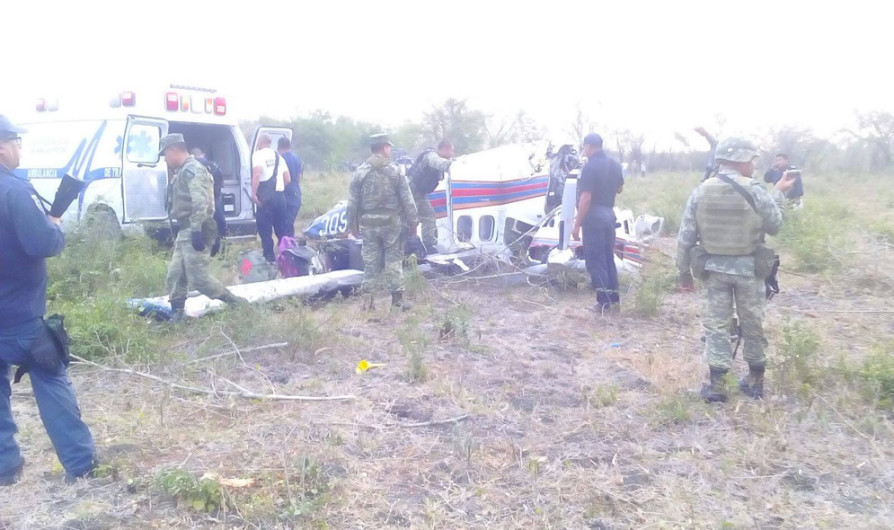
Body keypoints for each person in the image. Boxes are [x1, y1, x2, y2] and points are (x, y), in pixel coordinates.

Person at [0, 115, 97, 485]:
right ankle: (81, 465)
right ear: (2, 147)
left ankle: (5, 467)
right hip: (20, 316)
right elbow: (42, 243)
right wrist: (54, 225)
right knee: (51, 380)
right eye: (17, 142)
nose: (20, 148)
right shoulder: (13, 191)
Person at [676, 137, 798, 403]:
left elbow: (685, 237)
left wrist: (683, 274)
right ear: (741, 160)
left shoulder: (701, 191)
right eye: (751, 160)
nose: (753, 165)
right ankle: (755, 382)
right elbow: (775, 225)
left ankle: (717, 387)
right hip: (748, 270)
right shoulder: (755, 190)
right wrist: (778, 193)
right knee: (752, 325)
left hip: (713, 271)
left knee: (717, 327)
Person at [161, 134, 246, 322]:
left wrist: (196, 230)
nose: (165, 159)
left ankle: (237, 304)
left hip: (196, 226)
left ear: (173, 150)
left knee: (198, 279)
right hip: (186, 228)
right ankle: (177, 315)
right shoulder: (183, 171)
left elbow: (201, 201)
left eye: (165, 154)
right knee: (175, 274)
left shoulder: (193, 170)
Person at [347, 133, 417, 310]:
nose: (390, 150)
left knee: (370, 263)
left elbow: (352, 202)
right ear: (385, 147)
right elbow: (408, 200)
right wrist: (413, 223)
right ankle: (397, 303)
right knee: (393, 262)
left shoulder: (360, 171)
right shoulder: (395, 171)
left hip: (369, 225)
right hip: (392, 224)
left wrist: (352, 226)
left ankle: (368, 303)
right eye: (389, 147)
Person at [571, 133, 625, 314]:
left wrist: (577, 224)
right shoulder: (615, 164)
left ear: (588, 146)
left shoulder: (590, 167)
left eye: (584, 147)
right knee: (608, 258)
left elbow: (586, 198)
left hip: (594, 217)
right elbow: (620, 188)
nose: (584, 150)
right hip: (609, 215)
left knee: (596, 261)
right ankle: (614, 300)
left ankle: (603, 303)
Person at [406, 139, 454, 253]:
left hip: (419, 194)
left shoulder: (437, 158)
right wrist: (454, 165)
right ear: (444, 149)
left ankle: (428, 245)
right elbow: (439, 163)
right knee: (409, 221)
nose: (452, 153)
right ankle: (406, 248)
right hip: (409, 193)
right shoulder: (430, 156)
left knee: (429, 216)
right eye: (451, 150)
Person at [252, 135, 291, 262]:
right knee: (282, 229)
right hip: (280, 197)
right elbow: (288, 179)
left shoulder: (258, 155)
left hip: (266, 199)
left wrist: (253, 193)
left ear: (261, 142)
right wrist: (278, 189)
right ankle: (286, 258)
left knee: (265, 230)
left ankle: (269, 260)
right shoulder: (278, 156)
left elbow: (257, 175)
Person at [190, 147, 226, 252]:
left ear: (192, 155)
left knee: (201, 226)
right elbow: (222, 183)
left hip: (198, 200)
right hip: (214, 199)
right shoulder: (213, 165)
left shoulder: (191, 167)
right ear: (203, 154)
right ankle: (221, 248)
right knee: (219, 224)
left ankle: (202, 249)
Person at [277, 136, 303, 237]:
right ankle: (288, 242)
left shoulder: (280, 159)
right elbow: (299, 176)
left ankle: (287, 244)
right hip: (296, 192)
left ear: (278, 147)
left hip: (285, 193)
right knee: (289, 222)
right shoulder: (297, 158)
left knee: (284, 224)